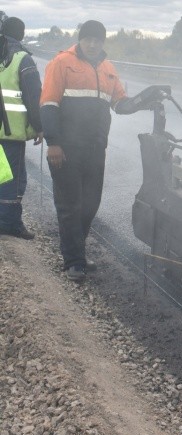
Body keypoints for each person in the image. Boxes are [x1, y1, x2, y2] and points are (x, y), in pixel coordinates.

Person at [40, 20, 137, 281]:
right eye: (88, 39)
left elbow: (120, 103)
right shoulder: (62, 63)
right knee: (70, 205)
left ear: (103, 42)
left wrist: (145, 100)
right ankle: (73, 261)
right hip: (66, 149)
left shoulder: (108, 69)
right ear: (80, 39)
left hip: (95, 148)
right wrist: (53, 142)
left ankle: (77, 253)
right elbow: (48, 104)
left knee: (90, 203)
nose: (93, 44)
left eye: (98, 40)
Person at [0, 17, 43, 239]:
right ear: (22, 34)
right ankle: (10, 225)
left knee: (2, 176)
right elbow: (33, 97)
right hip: (10, 133)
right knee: (13, 181)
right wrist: (40, 126)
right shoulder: (22, 59)